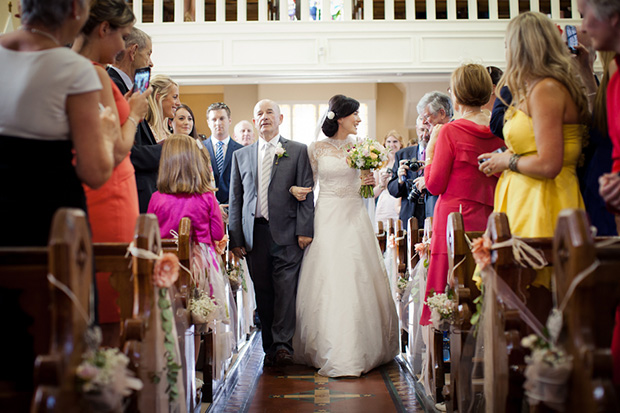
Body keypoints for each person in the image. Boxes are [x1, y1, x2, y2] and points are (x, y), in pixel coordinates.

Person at [478, 11, 589, 291]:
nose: (505, 51)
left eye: (507, 44)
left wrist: (507, 160)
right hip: (525, 197)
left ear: (521, 47)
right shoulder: (534, 88)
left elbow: (550, 163)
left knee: (535, 291)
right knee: (517, 294)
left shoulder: (546, 89)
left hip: (544, 200)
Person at [292, 95, 399, 377]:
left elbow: (367, 186)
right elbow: (309, 184)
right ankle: (328, 345)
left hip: (354, 217)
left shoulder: (361, 147)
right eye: (355, 115)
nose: (359, 120)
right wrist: (297, 191)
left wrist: (369, 180)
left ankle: (362, 345)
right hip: (326, 217)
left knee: (357, 274)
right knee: (329, 276)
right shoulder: (315, 149)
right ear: (340, 117)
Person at [0, 0, 116, 247]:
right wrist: (106, 133)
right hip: (47, 221)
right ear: (75, 8)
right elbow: (94, 172)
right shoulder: (74, 69)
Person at [72, 0, 151, 340]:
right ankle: (110, 360)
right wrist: (133, 112)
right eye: (119, 35)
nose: (122, 46)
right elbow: (118, 149)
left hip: (102, 187)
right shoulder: (94, 73)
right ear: (103, 29)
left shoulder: (74, 68)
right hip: (110, 190)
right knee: (115, 282)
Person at [228, 99, 314, 368]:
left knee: (286, 290)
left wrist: (304, 230)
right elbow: (236, 200)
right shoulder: (241, 156)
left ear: (280, 119)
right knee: (263, 292)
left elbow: (306, 193)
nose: (264, 117)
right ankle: (269, 345)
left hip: (288, 233)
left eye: (269, 113)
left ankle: (283, 346)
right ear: (254, 121)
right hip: (255, 235)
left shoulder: (298, 151)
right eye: (259, 114)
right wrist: (236, 239)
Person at [419, 63, 505, 325]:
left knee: (450, 285)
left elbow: (434, 185)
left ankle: (445, 338)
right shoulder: (499, 127)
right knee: (482, 283)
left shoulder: (449, 131)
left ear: (456, 94)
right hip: (490, 216)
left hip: (453, 219)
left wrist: (432, 149)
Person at [578, 0, 620, 385]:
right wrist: (584, 65)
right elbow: (600, 121)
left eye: (585, 15)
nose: (582, 26)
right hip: (603, 174)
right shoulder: (611, 71)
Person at [131, 74, 180, 212]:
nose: (179, 103)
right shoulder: (143, 128)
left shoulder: (170, 134)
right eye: (174, 97)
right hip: (149, 201)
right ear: (159, 96)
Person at [203, 102, 244, 205]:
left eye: (222, 118)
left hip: (233, 208)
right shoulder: (199, 149)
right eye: (214, 119)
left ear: (229, 120)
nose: (218, 123)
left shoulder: (241, 151)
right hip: (207, 207)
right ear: (208, 122)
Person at [374, 130, 404, 227]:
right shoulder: (380, 164)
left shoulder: (403, 162)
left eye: (395, 141)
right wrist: (382, 184)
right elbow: (373, 194)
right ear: (384, 144)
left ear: (400, 144)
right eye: (389, 142)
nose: (392, 144)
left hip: (399, 200)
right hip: (384, 203)